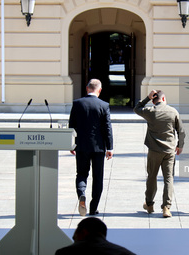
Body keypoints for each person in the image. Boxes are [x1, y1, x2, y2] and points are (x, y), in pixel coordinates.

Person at [134, 90, 186, 218]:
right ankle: (166, 208)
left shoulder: (150, 112)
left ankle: (150, 204)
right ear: (164, 99)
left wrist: (146, 98)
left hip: (154, 150)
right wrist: (180, 145)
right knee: (168, 178)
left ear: (153, 100)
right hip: (169, 151)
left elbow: (137, 108)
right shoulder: (173, 112)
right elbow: (181, 131)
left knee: (152, 177)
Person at [69, 79, 113, 216]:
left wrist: (71, 143)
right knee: (97, 177)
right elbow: (107, 128)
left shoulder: (77, 104)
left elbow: (71, 125)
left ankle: (81, 193)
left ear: (87, 88)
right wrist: (110, 147)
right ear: (99, 90)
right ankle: (93, 208)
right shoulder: (104, 105)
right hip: (98, 147)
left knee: (81, 173)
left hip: (81, 146)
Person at [55, 217, 135, 255]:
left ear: (84, 232)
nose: (74, 240)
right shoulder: (126, 253)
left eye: (75, 238)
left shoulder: (65, 253)